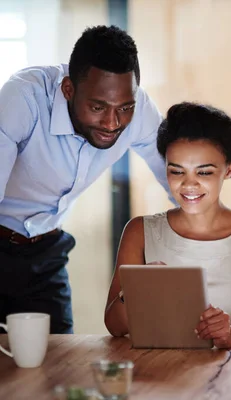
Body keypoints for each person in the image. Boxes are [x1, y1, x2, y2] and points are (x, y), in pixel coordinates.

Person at [0, 25, 171, 334]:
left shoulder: (139, 109)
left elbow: (177, 175)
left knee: (56, 363)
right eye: (97, 107)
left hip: (46, 252)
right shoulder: (23, 98)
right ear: (68, 89)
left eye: (125, 108)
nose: (112, 122)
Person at [104, 102, 231, 348]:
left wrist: (229, 334)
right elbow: (114, 326)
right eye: (177, 171)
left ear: (228, 170)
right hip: (155, 371)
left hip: (227, 370)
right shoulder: (139, 232)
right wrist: (137, 291)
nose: (189, 185)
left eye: (204, 173)